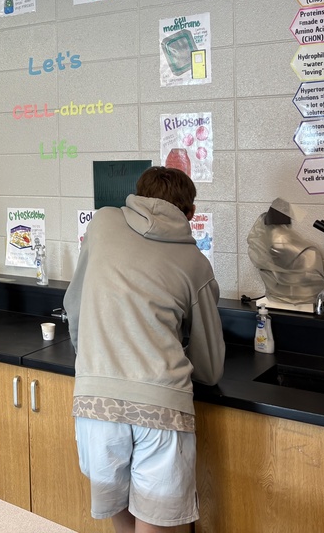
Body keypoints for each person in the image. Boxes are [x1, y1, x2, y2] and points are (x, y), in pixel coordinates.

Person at [64, 166, 225, 533]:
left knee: (119, 516)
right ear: (190, 215)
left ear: (137, 198)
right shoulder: (196, 265)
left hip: (96, 402)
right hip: (162, 407)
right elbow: (210, 368)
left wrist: (92, 355)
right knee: (156, 524)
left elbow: (74, 304)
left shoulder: (103, 223)